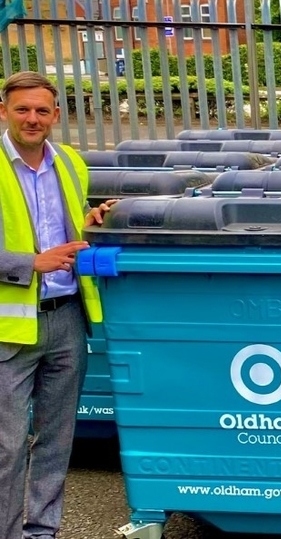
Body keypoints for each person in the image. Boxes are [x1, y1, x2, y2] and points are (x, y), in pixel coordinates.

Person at [0, 71, 116, 539]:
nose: (33, 118)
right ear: (3, 111)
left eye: (42, 110)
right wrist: (32, 262)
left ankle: (42, 530)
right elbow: (36, 249)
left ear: (55, 115)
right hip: (9, 329)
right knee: (6, 447)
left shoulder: (69, 162)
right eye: (23, 108)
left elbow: (68, 227)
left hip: (67, 317)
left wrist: (89, 223)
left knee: (55, 440)